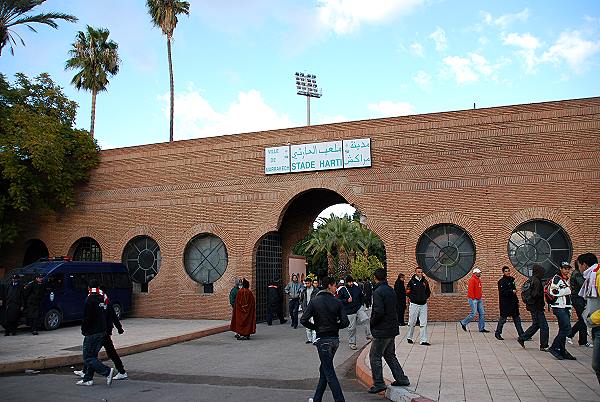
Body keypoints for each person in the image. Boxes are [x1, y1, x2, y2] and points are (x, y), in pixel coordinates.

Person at [300, 276, 349, 402]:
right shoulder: (337, 302)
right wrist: (335, 326)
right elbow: (345, 322)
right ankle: (317, 399)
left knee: (328, 371)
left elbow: (303, 320)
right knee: (324, 369)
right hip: (334, 339)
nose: (336, 288)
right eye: (334, 286)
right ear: (329, 286)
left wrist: (316, 327)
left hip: (322, 339)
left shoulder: (315, 301)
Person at [368, 268, 410, 394]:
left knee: (374, 356)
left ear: (375, 278)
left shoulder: (378, 291)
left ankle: (379, 383)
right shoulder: (390, 290)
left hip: (382, 329)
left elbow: (379, 311)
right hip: (391, 327)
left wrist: (372, 323)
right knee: (389, 355)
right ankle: (401, 378)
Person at [75, 287, 128, 380]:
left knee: (92, 353)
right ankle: (86, 373)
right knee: (98, 353)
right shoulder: (105, 301)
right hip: (105, 331)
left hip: (101, 332)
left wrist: (119, 328)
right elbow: (114, 316)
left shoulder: (100, 302)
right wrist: (119, 328)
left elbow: (112, 316)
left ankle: (117, 371)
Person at [77, 279, 115, 386]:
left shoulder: (90, 300)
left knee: (88, 357)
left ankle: (107, 371)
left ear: (89, 288)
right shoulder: (102, 299)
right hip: (101, 331)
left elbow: (87, 317)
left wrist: (84, 329)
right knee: (92, 355)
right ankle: (88, 379)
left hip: (92, 332)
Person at [577, 252, 600, 385]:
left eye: (579, 265)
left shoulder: (597, 276)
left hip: (598, 324)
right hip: (595, 326)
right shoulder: (592, 276)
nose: (578, 268)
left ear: (584, 265)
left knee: (597, 365)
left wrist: (593, 319)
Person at [518, 263, 549, 351]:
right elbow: (535, 295)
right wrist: (543, 292)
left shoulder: (532, 279)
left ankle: (522, 337)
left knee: (536, 325)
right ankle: (544, 345)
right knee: (544, 326)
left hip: (532, 306)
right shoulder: (537, 281)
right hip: (537, 307)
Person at [548, 262, 575, 360]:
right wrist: (568, 290)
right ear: (560, 268)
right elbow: (553, 292)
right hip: (559, 307)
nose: (567, 270)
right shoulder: (557, 278)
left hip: (565, 307)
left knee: (563, 328)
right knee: (567, 329)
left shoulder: (566, 279)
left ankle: (562, 351)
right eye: (565, 268)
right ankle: (554, 347)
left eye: (568, 268)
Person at [337, 275, 372, 350]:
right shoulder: (342, 290)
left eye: (352, 281)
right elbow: (339, 300)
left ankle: (369, 335)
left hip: (358, 308)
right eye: (349, 282)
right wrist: (346, 301)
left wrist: (362, 304)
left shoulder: (356, 288)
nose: (351, 283)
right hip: (349, 310)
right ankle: (352, 343)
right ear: (346, 282)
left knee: (366, 319)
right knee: (352, 328)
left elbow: (361, 296)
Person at [494, 266, 524, 340]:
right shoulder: (501, 281)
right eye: (506, 271)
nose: (508, 272)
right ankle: (498, 333)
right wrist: (511, 291)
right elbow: (502, 292)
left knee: (517, 320)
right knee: (502, 320)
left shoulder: (511, 280)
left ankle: (522, 335)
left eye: (508, 271)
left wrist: (517, 301)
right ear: (503, 272)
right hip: (505, 304)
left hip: (513, 303)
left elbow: (514, 292)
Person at [568, 260, 592, 347]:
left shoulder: (579, 273)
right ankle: (571, 334)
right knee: (583, 319)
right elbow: (583, 285)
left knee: (582, 319)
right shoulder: (577, 274)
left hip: (579, 299)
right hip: (577, 299)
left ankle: (582, 340)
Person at [405, 267, 431, 345]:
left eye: (421, 272)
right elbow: (407, 292)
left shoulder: (425, 282)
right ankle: (409, 337)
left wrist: (424, 297)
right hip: (414, 305)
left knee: (423, 323)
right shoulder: (411, 282)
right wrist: (414, 298)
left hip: (423, 305)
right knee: (412, 322)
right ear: (415, 272)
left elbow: (428, 292)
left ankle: (423, 340)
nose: (420, 273)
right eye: (418, 272)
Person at [459, 268, 489, 333]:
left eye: (480, 272)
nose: (480, 273)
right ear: (475, 273)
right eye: (479, 273)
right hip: (473, 299)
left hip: (479, 299)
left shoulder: (478, 280)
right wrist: (473, 298)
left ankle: (481, 328)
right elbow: (470, 290)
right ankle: (463, 322)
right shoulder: (472, 280)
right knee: (473, 313)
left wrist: (479, 297)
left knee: (482, 313)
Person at [300, 277, 317, 343]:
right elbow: (301, 300)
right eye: (306, 283)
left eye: (308, 283)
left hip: (314, 309)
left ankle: (314, 339)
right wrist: (303, 306)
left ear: (311, 283)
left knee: (314, 324)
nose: (307, 284)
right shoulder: (304, 290)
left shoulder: (316, 290)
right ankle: (309, 339)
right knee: (307, 325)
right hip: (306, 309)